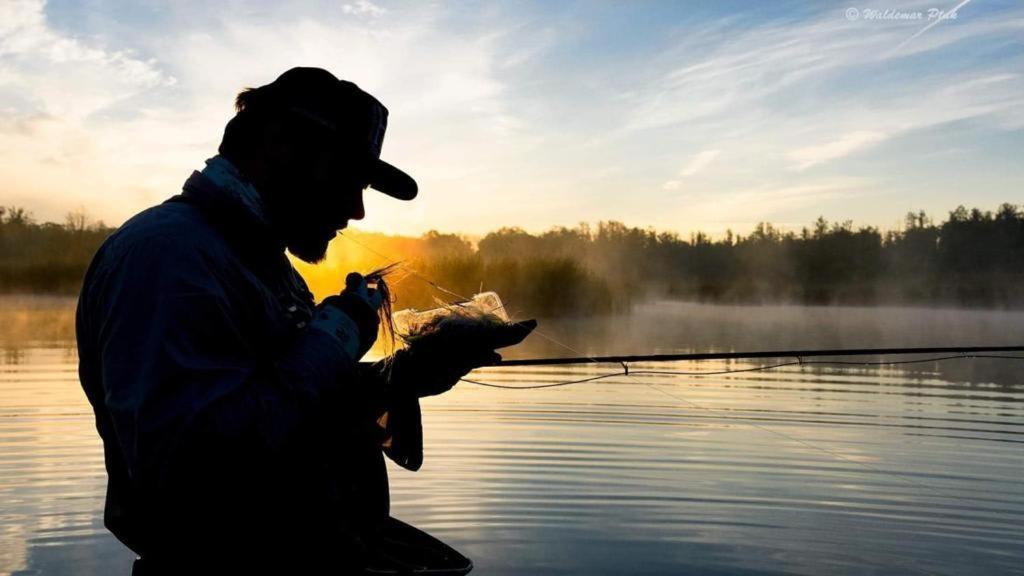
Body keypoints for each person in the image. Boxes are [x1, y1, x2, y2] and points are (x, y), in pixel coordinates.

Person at [76, 67, 497, 574]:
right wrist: (337, 334)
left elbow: (286, 404)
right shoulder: (166, 257)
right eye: (347, 178)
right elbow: (189, 469)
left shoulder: (261, 264)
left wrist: (402, 376)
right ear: (280, 148)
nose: (358, 209)